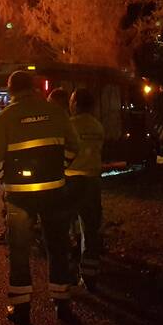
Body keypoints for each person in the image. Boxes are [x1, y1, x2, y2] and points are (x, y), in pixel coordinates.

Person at [0, 70, 80, 325]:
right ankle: (62, 304)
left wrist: (8, 178)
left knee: (19, 250)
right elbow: (74, 146)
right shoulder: (57, 112)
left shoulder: (4, 118)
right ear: (35, 88)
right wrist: (59, 166)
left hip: (19, 197)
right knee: (58, 247)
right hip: (54, 191)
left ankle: (22, 308)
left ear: (11, 90)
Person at [66, 88, 105, 292]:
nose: (70, 105)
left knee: (64, 229)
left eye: (72, 101)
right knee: (90, 230)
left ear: (77, 104)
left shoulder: (70, 125)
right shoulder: (98, 127)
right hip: (92, 183)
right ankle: (89, 277)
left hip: (71, 182)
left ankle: (67, 274)